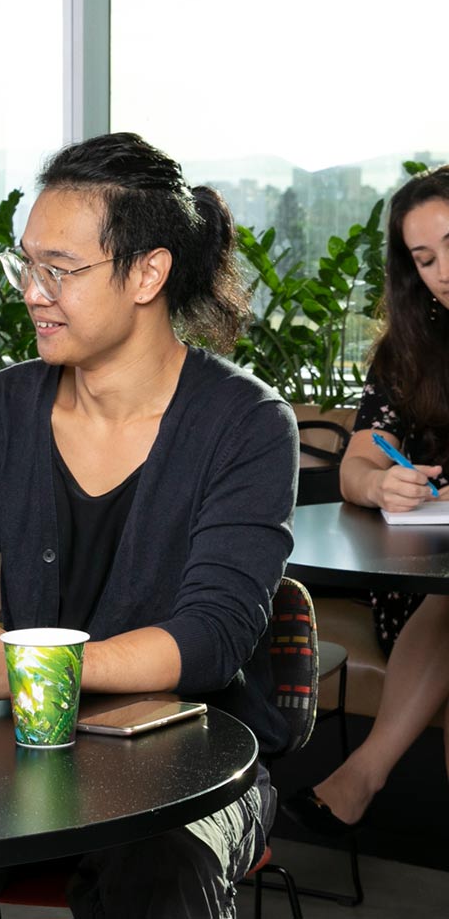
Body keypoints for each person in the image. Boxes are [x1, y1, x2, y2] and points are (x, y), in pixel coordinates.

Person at [0, 132, 298, 919]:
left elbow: (214, 637)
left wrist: (32, 670)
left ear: (147, 273)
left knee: (159, 867)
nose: (32, 292)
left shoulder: (245, 424)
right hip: (23, 751)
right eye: (26, 265)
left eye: (60, 269)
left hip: (196, 760)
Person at [283, 165, 449, 836]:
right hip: (424, 584)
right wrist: (383, 484)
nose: (444, 271)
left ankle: (361, 775)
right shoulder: (410, 353)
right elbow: (357, 468)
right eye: (425, 259)